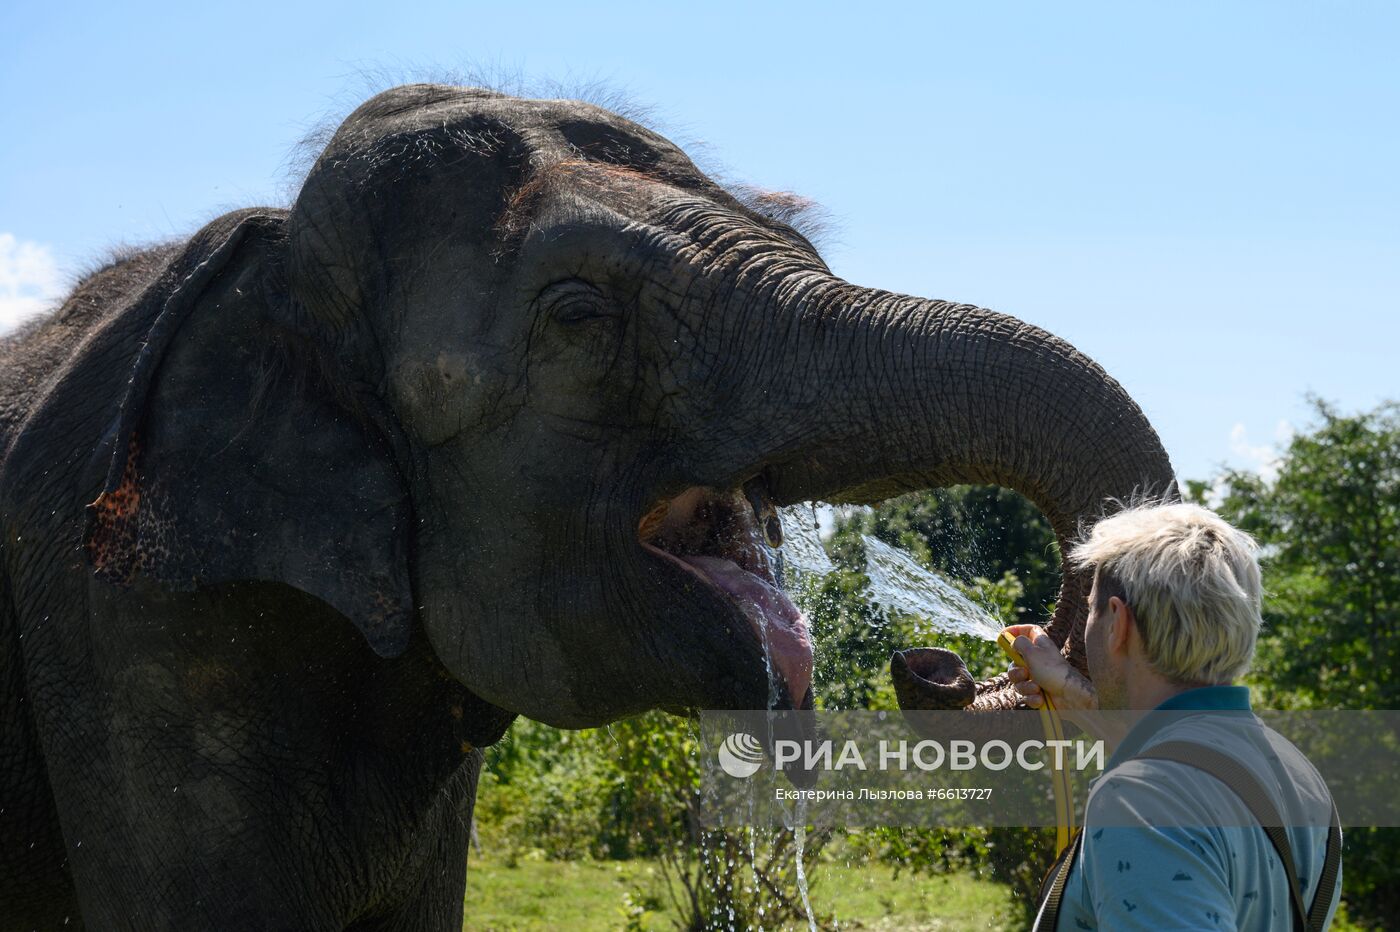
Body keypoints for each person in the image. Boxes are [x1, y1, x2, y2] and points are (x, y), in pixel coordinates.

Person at [1005, 502, 1341, 931]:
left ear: (1117, 624)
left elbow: (1168, 785)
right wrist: (1070, 692)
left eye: (1090, 610)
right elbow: (1183, 758)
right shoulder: (1297, 773)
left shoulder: (1141, 801)